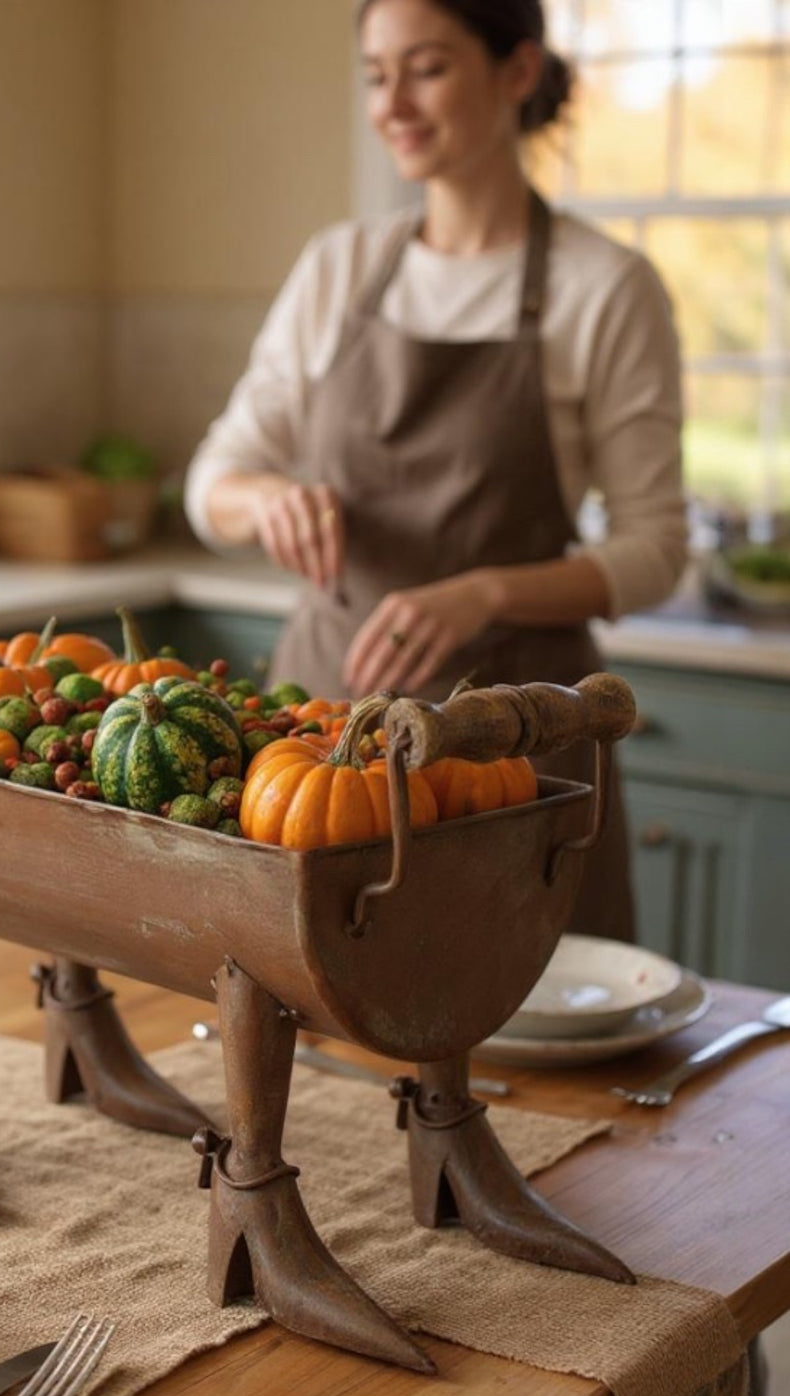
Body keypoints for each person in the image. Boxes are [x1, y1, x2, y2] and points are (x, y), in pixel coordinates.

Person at [183, 0, 688, 942]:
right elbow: (215, 478)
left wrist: (481, 593)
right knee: (312, 1033)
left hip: (518, 753)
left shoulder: (605, 289)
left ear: (517, 71)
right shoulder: (339, 268)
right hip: (321, 748)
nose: (394, 104)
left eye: (427, 68)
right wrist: (268, 499)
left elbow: (657, 551)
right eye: (377, 75)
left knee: (524, 1047)